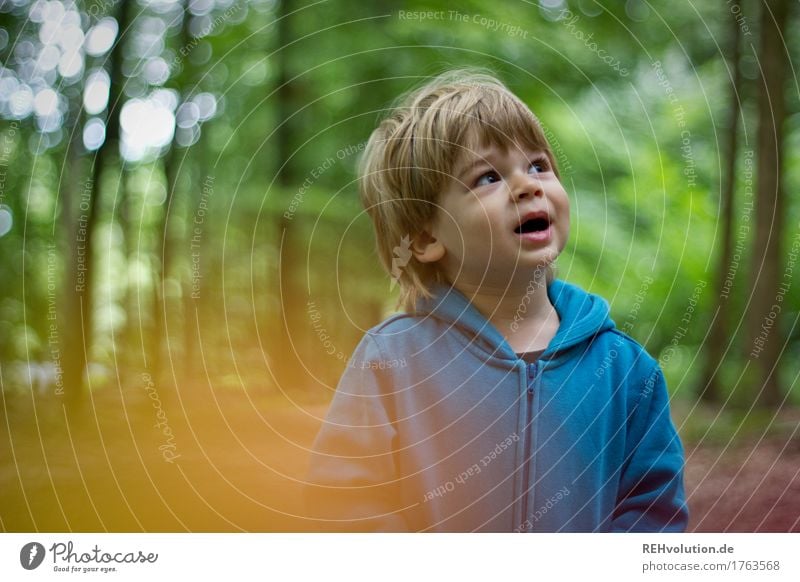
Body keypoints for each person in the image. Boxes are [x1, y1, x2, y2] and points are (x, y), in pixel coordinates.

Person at [303, 69, 688, 532]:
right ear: (426, 237)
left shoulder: (625, 369)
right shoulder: (392, 362)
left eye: (539, 165)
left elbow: (653, 510)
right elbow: (344, 505)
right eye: (487, 177)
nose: (528, 185)